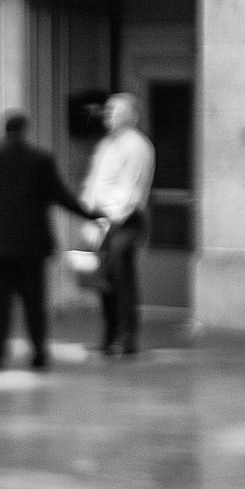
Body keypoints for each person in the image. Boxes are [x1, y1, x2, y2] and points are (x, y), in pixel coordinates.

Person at [0, 110, 102, 372]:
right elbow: (62, 197)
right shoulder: (41, 160)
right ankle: (38, 354)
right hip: (32, 247)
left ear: (4, 130)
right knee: (34, 303)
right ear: (25, 130)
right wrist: (92, 215)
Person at [79, 93, 156, 357]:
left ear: (131, 116)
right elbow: (95, 184)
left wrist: (110, 223)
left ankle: (126, 337)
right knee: (105, 281)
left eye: (114, 110)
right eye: (108, 109)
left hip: (122, 221)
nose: (107, 114)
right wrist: (90, 220)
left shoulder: (136, 146)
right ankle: (110, 335)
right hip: (103, 220)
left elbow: (131, 191)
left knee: (122, 280)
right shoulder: (107, 145)